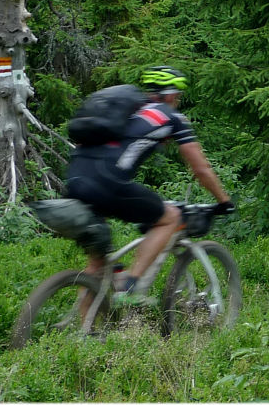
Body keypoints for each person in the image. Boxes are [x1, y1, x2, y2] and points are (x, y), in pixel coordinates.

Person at [65, 65, 234, 300]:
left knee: (97, 267)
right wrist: (223, 201)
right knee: (170, 217)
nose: (178, 100)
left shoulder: (123, 112)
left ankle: (89, 323)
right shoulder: (171, 117)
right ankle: (130, 286)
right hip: (108, 183)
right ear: (172, 94)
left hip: (75, 179)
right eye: (178, 96)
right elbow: (201, 169)